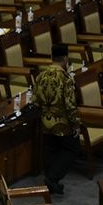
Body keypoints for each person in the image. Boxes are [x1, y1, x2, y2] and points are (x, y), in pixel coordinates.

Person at [33, 44, 81, 194]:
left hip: (45, 121)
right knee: (72, 149)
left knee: (50, 150)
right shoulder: (65, 78)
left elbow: (35, 100)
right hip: (62, 122)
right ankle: (53, 178)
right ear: (65, 59)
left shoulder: (41, 76)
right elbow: (70, 104)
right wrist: (75, 124)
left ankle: (50, 180)